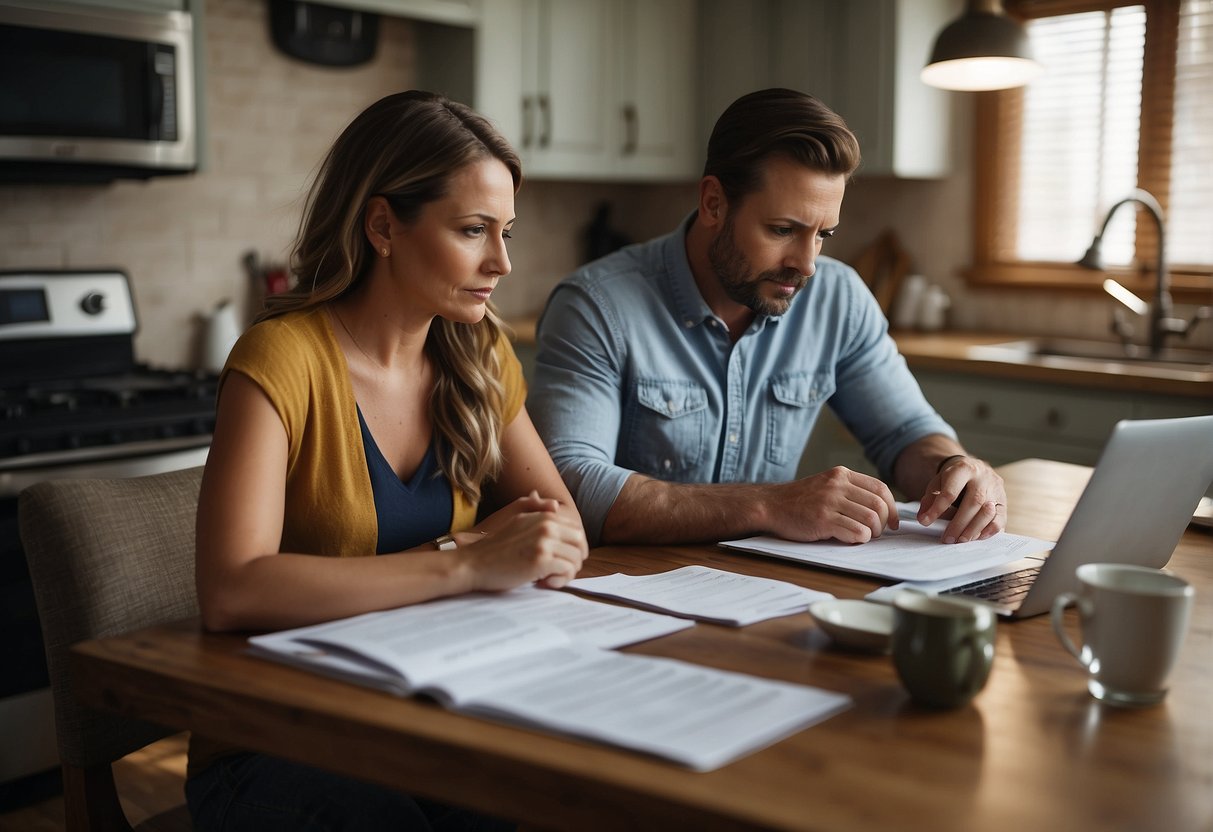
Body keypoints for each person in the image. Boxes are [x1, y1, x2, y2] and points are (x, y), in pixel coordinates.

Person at [190, 90, 587, 831]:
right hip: (278, 739)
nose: (501, 262)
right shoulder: (280, 359)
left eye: (505, 232)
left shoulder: (480, 355)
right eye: (473, 230)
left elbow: (562, 528)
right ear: (382, 225)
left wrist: (520, 547)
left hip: (430, 715)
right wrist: (464, 562)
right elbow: (232, 591)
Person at [528, 88, 1006, 549]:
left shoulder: (837, 298)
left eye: (824, 234)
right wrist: (768, 504)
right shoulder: (595, 307)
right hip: (627, 596)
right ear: (714, 202)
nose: (807, 263)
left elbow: (906, 433)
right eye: (783, 230)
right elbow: (570, 483)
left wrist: (953, 470)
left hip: (770, 594)